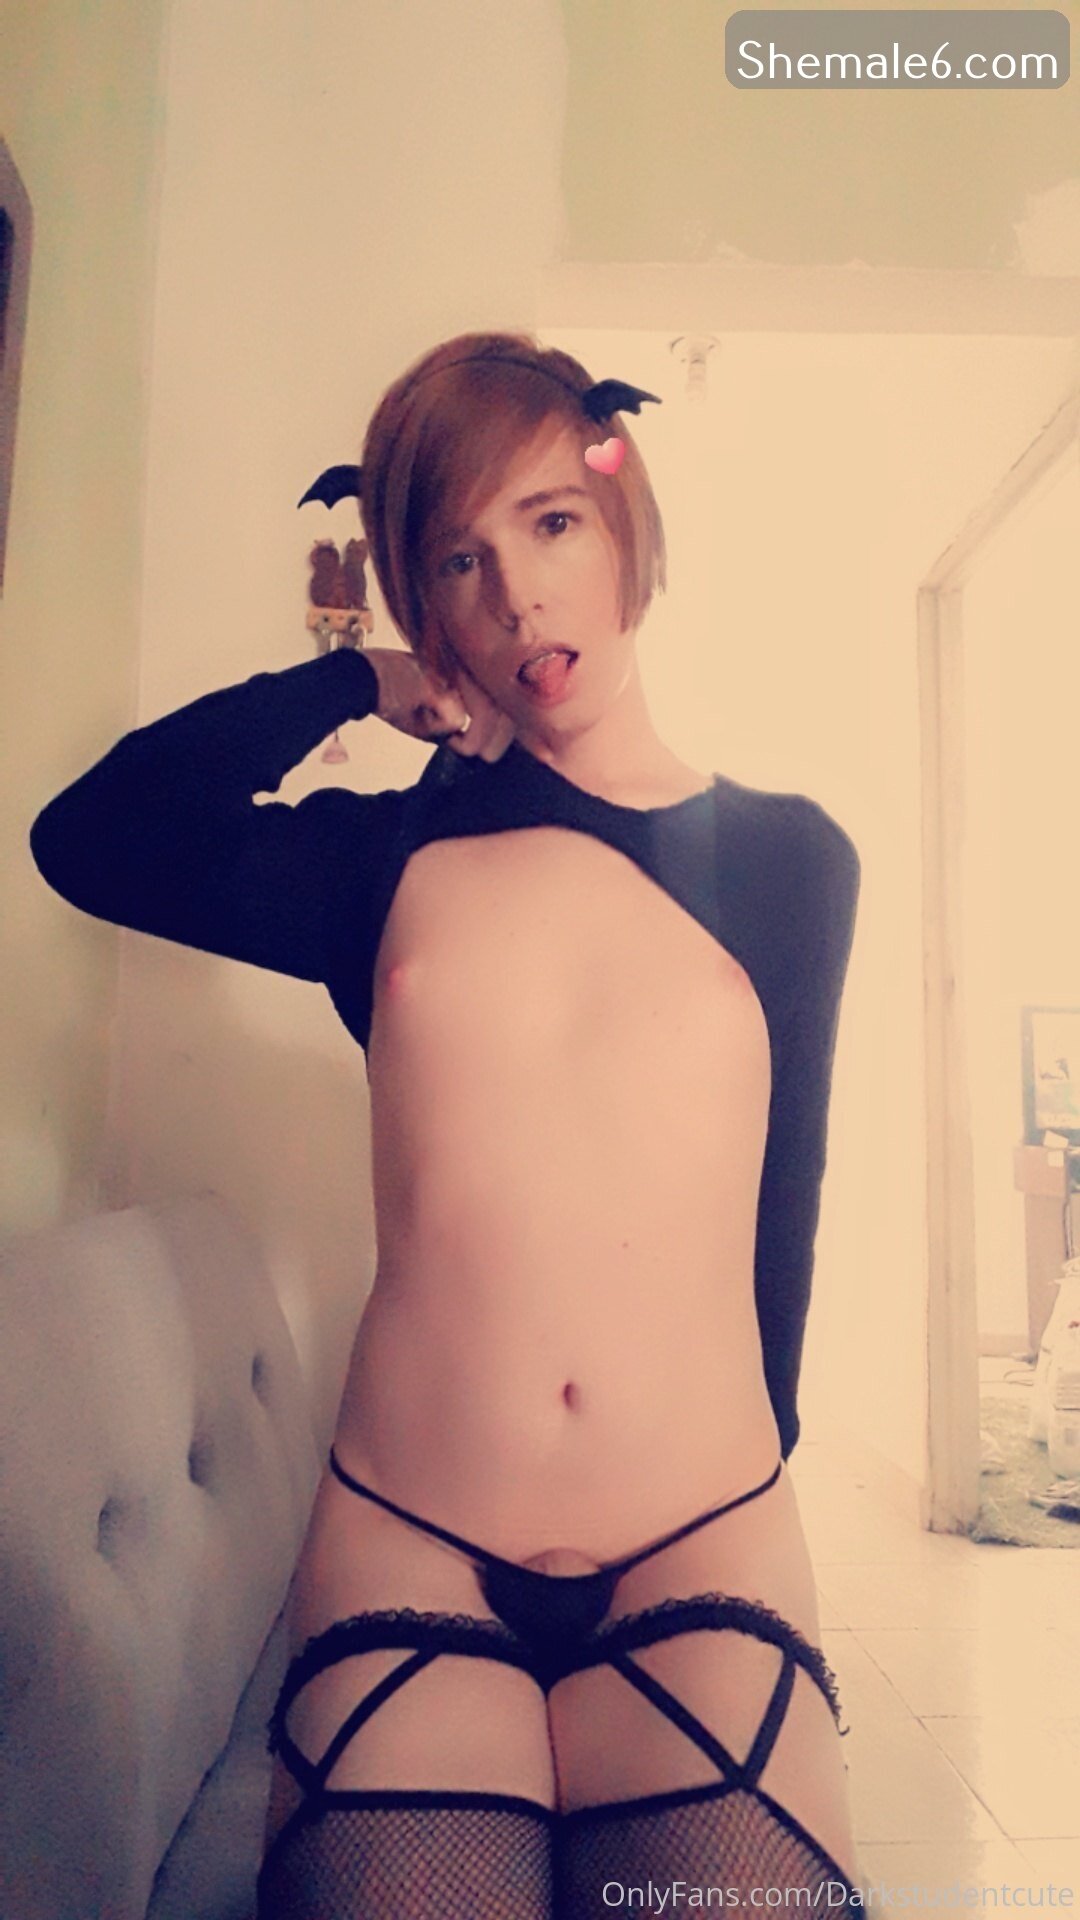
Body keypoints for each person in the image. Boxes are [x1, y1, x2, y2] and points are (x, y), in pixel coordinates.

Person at [28, 330, 862, 1919]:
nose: (518, 596)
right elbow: (97, 837)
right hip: (412, 1540)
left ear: (625, 527)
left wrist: (755, 1465)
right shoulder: (382, 862)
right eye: (461, 560)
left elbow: (784, 1211)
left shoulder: (789, 861)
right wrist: (358, 678)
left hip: (703, 1542)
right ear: (428, 602)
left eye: (552, 523)